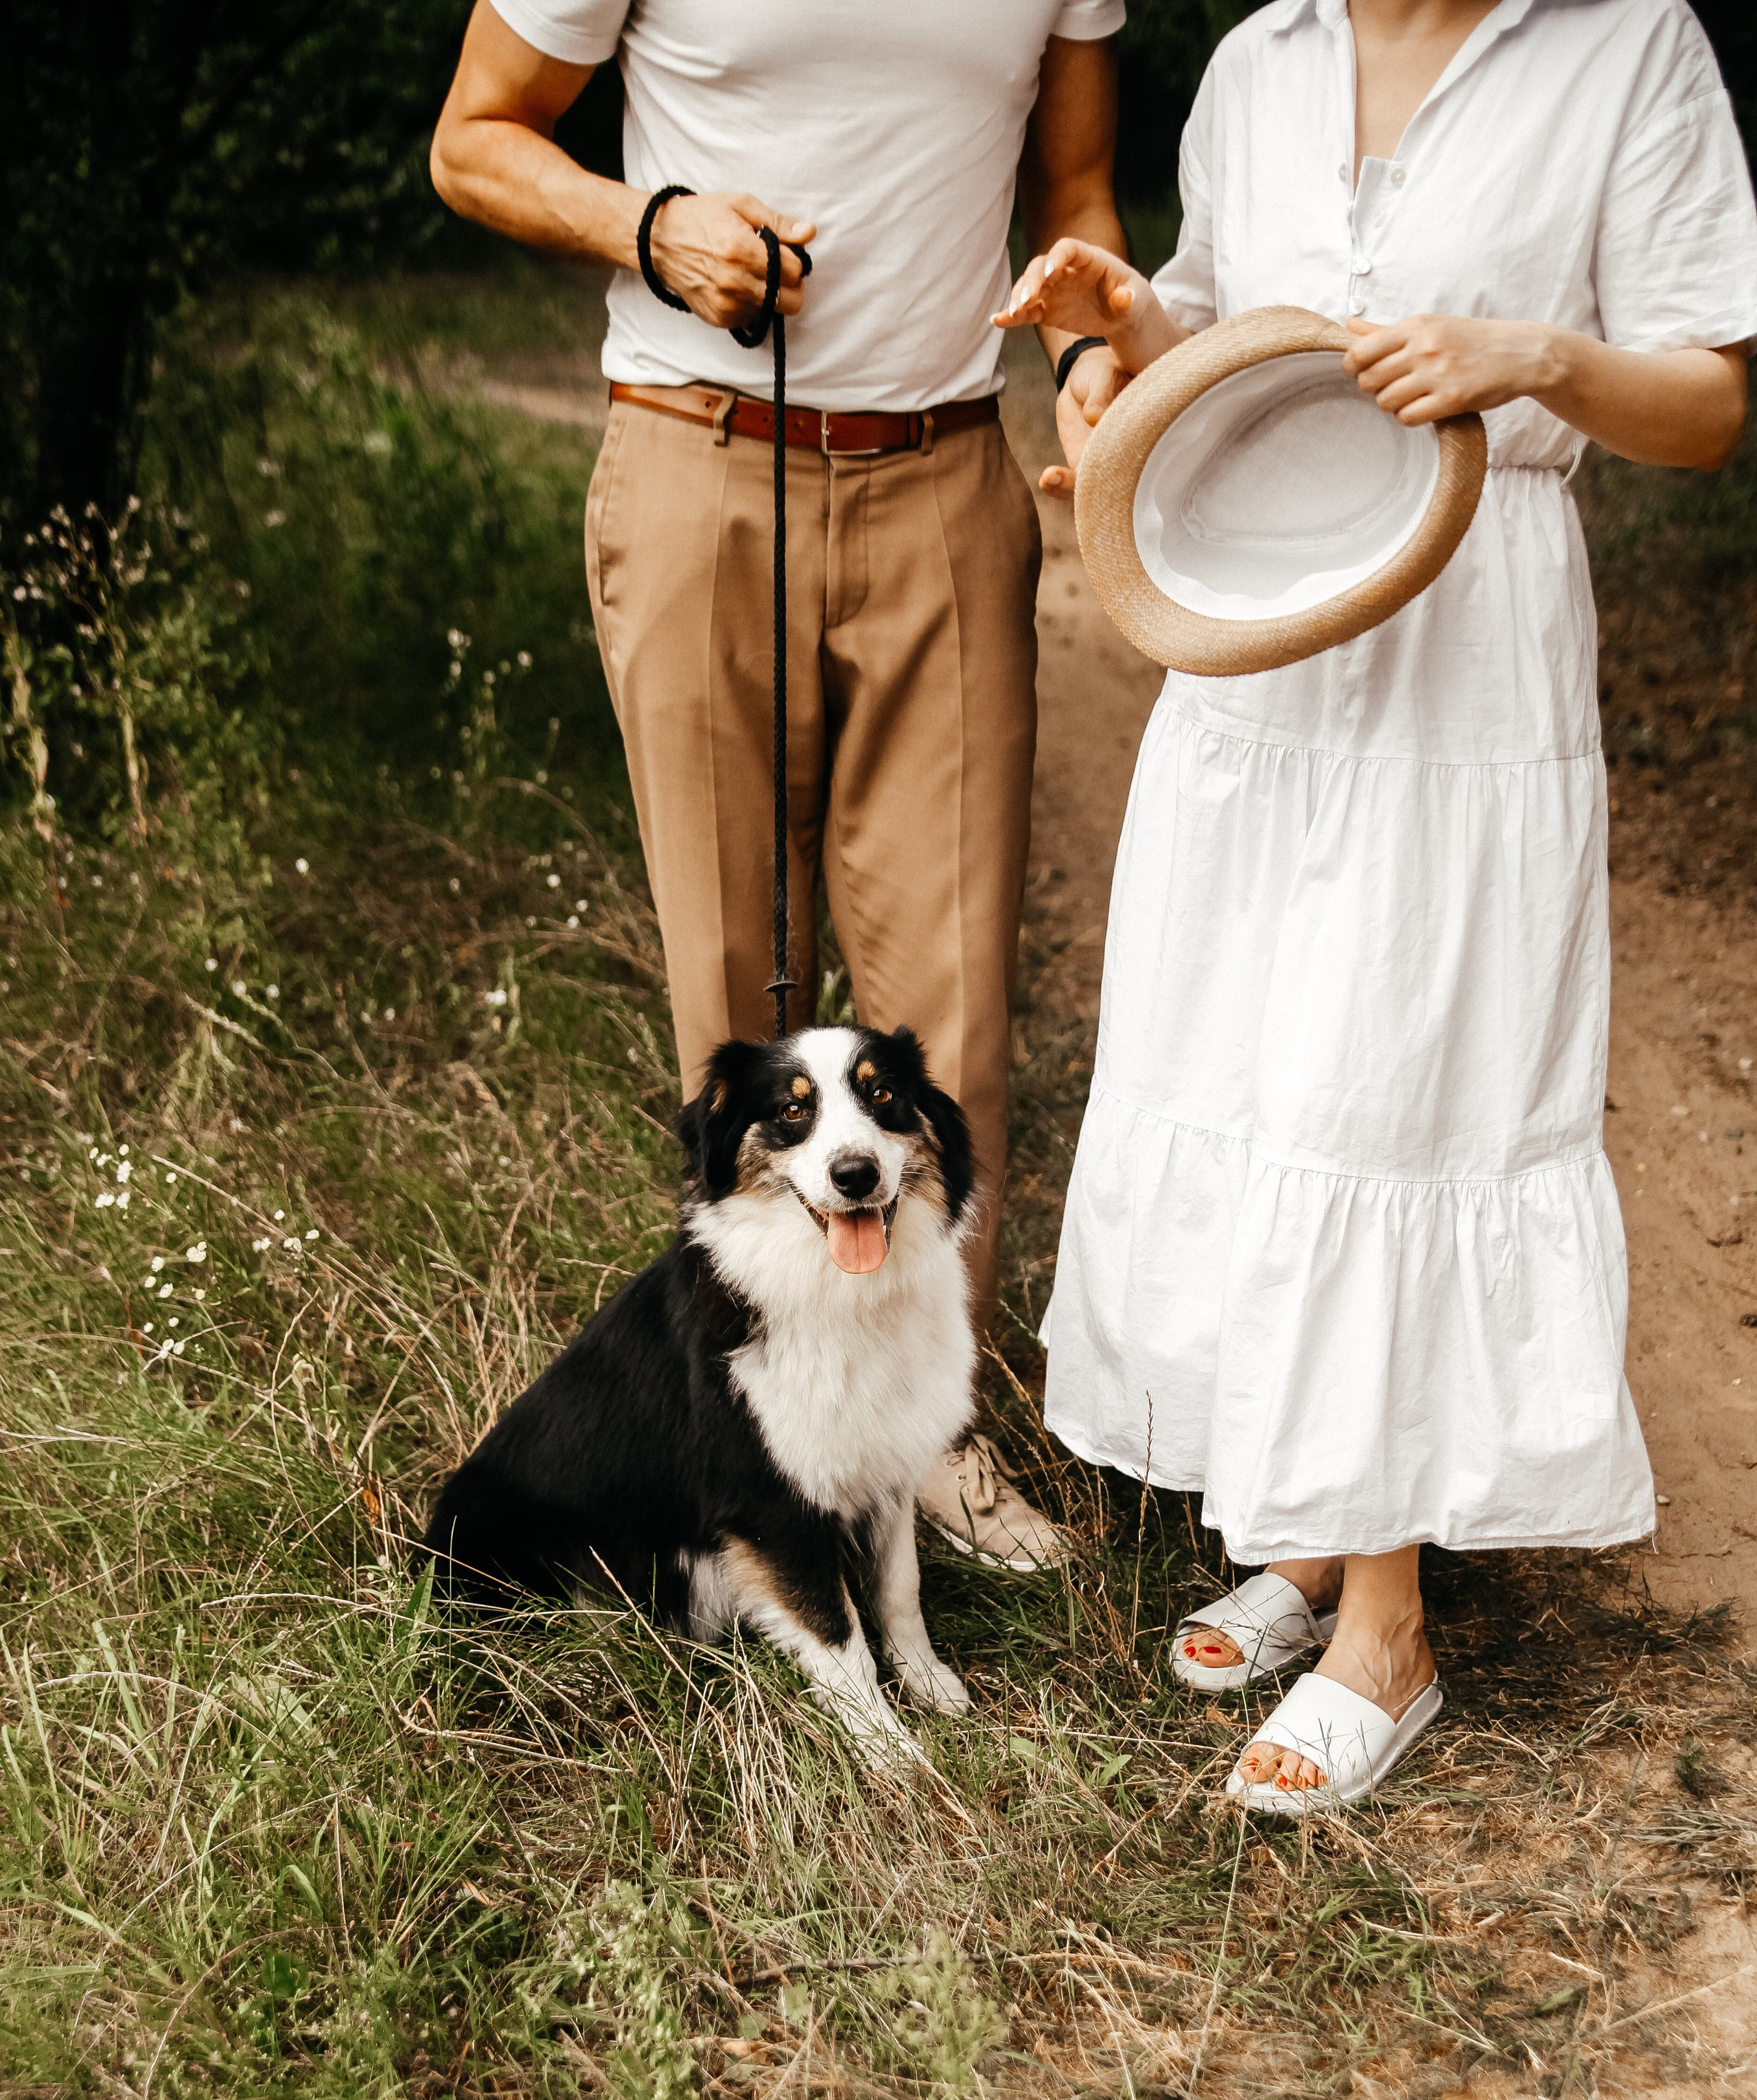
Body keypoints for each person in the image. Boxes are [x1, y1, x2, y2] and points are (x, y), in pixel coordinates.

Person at [1000, 0, 1757, 1804]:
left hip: (1464, 642)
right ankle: (1323, 1521)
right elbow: (1244, 346)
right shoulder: (1265, 60)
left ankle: (1388, 1631)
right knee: (1259, 1065)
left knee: (1389, 1082)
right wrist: (1133, 332)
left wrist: (1537, 359)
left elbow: (1712, 403)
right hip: (1257, 632)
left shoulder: (1629, 47)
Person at [430, 0, 1135, 1568]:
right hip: (702, 466)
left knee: (948, 1026)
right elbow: (471, 139)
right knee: (733, 1024)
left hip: (946, 476)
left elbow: (1074, 190)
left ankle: (929, 1443)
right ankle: (757, 1437)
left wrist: (1089, 352)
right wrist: (650, 225)